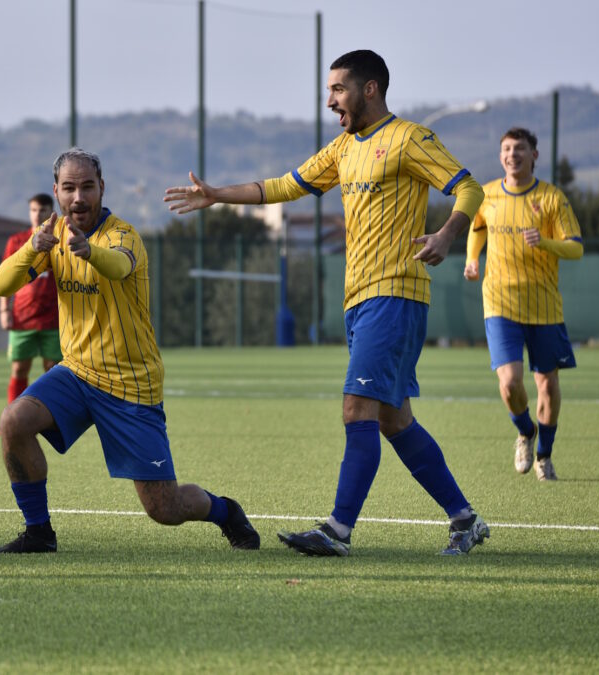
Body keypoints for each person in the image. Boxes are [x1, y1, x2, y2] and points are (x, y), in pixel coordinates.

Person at [165, 50, 490, 557]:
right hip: (359, 300)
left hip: (395, 292)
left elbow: (468, 187)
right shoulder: (342, 148)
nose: (330, 101)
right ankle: (465, 519)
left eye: (338, 89)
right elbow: (285, 185)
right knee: (393, 420)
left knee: (357, 407)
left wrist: (448, 233)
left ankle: (337, 530)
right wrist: (218, 195)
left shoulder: (409, 138)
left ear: (369, 89)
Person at [0, 148, 260, 553]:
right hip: (77, 373)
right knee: (13, 422)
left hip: (130, 385)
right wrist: (33, 247)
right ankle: (39, 533)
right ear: (56, 191)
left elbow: (118, 266)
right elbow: (2, 285)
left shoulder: (123, 235)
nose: (78, 197)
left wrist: (89, 251)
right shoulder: (52, 238)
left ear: (102, 188)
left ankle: (226, 511)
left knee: (164, 508)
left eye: (87, 187)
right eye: (69, 188)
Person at [464, 128, 583, 481]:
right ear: (500, 156)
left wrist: (545, 242)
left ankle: (544, 455)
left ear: (534, 155)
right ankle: (525, 431)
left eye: (519, 148)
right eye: (506, 149)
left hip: (544, 306)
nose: (512, 154)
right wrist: (472, 259)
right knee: (510, 383)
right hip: (499, 302)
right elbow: (477, 227)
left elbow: (576, 247)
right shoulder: (487, 194)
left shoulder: (552, 198)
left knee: (548, 385)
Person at [0, 193, 61, 402]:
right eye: (34, 210)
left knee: (53, 370)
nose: (37, 214)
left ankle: (53, 416)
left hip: (53, 316)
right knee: (19, 368)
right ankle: (14, 414)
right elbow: (5, 278)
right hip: (22, 316)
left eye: (42, 210)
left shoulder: (60, 240)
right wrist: (4, 310)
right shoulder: (16, 241)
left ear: (51, 212)